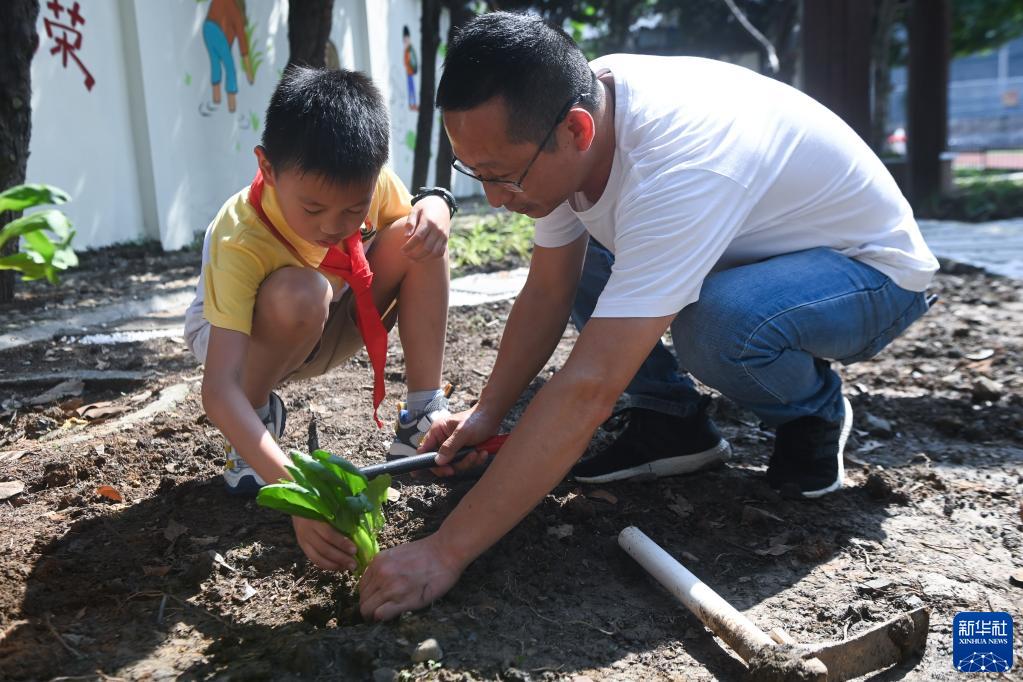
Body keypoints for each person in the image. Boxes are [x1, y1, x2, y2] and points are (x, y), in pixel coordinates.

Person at [356, 12, 939, 620]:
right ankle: (674, 424)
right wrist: (488, 414)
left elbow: (589, 388)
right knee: (592, 264)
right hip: (751, 249)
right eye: (477, 175)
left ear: (576, 132)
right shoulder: (571, 114)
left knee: (716, 327)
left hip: (869, 274)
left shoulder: (677, 167)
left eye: (503, 178)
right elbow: (550, 290)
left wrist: (446, 551)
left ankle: (813, 410)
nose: (497, 199)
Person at [183, 66, 458, 572]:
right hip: (240, 340)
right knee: (300, 292)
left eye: (353, 210)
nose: (333, 226)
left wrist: (438, 204)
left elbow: (409, 218)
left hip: (326, 314)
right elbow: (216, 388)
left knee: (423, 241)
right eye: (312, 209)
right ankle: (258, 418)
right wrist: (292, 485)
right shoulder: (239, 237)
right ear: (266, 167)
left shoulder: (364, 183)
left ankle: (421, 414)